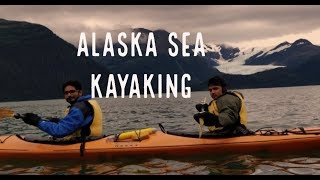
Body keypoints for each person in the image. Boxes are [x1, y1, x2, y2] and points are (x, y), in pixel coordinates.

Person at [19, 80, 103, 140]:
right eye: (66, 93)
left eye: (72, 92)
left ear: (80, 92)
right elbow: (78, 122)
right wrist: (58, 121)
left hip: (84, 142)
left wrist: (37, 122)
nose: (69, 95)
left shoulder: (79, 108)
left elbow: (59, 132)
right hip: (93, 139)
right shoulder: (87, 103)